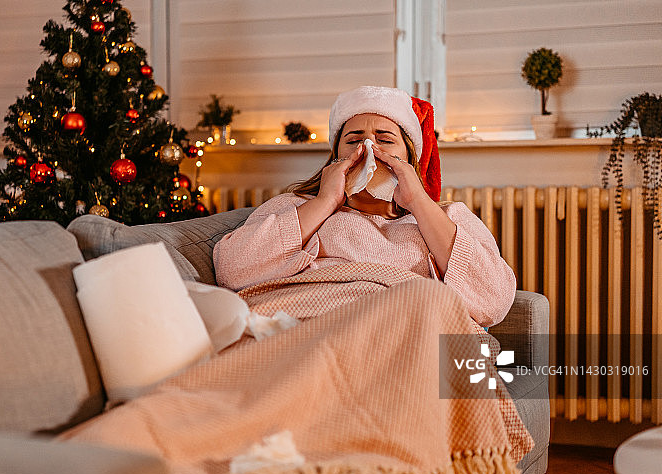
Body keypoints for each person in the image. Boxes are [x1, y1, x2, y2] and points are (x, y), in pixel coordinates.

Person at [213, 85, 516, 328]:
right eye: (354, 140)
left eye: (384, 139)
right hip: (308, 326)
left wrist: (419, 203)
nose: (368, 148)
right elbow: (232, 269)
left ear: (408, 159)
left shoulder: (449, 217)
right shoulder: (294, 206)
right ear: (335, 158)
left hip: (403, 328)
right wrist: (325, 202)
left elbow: (494, 300)